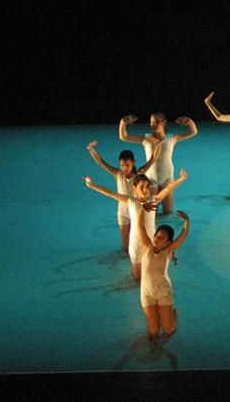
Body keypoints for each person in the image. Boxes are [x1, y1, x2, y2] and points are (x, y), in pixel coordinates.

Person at [84, 169, 188, 280]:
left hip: (151, 243)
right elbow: (111, 193)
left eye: (147, 186)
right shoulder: (131, 201)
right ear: (134, 188)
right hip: (136, 243)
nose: (145, 190)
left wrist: (181, 179)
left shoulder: (153, 200)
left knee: (151, 272)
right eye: (141, 187)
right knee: (137, 277)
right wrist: (92, 185)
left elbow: (168, 188)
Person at [86, 140, 159, 254]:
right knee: (125, 247)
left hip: (136, 212)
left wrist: (158, 145)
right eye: (122, 165)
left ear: (133, 162)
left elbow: (152, 160)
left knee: (140, 243)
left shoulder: (140, 173)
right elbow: (101, 162)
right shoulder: (118, 174)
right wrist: (91, 150)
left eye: (127, 165)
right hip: (123, 212)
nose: (125, 168)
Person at [119, 112, 197, 213]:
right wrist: (123, 122)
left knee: (168, 212)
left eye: (157, 122)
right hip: (151, 179)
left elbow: (193, 132)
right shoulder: (146, 138)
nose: (154, 124)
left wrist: (189, 122)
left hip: (167, 178)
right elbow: (124, 137)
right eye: (152, 122)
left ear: (164, 122)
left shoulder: (172, 138)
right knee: (151, 212)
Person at [135, 206, 190, 339]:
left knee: (168, 330)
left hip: (163, 290)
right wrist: (142, 209)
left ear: (167, 243)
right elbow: (140, 226)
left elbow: (182, 236)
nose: (157, 237)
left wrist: (186, 221)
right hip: (146, 292)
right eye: (157, 235)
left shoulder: (168, 251)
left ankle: (173, 318)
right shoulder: (146, 246)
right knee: (153, 333)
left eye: (161, 237)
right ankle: (166, 316)